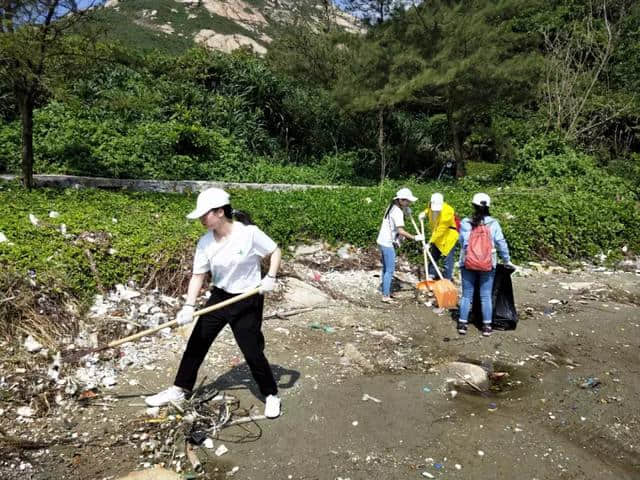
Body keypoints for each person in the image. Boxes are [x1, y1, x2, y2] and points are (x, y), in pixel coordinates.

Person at [145, 188, 283, 419]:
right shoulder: (205, 242)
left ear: (220, 212)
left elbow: (275, 250)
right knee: (197, 342)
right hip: (219, 298)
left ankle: (271, 395)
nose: (201, 219)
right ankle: (180, 389)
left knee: (251, 351)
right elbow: (198, 276)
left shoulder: (249, 233)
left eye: (204, 214)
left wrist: (270, 277)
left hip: (247, 299)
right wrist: (189, 306)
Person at [457, 193, 514, 337]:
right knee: (486, 295)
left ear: (473, 205)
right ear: (488, 206)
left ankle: (462, 324)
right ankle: (487, 326)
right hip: (488, 263)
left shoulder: (465, 222)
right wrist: (506, 260)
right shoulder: (493, 223)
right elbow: (501, 242)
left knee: (466, 295)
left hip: (467, 262)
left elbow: (462, 242)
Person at [376, 187, 424, 303]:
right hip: (387, 243)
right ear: (401, 200)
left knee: (386, 268)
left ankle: (385, 289)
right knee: (390, 270)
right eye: (408, 201)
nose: (410, 203)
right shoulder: (397, 211)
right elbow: (400, 231)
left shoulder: (392, 206)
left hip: (381, 240)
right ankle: (386, 295)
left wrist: (406, 211)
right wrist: (415, 237)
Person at [418, 192, 459, 281]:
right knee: (434, 255)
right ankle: (431, 274)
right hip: (436, 237)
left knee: (448, 259)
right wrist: (424, 213)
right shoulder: (431, 206)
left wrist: (429, 242)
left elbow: (441, 230)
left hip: (448, 237)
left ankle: (447, 278)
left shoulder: (448, 211)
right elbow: (429, 210)